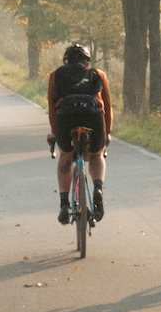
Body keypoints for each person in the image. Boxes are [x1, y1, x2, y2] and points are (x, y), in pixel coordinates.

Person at [45, 42, 113, 224]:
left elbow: (52, 106)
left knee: (66, 156)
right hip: (94, 116)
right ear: (87, 61)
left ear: (66, 61)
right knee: (97, 155)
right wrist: (107, 133)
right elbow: (106, 106)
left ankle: (64, 203)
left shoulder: (56, 75)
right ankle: (98, 188)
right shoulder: (98, 74)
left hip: (66, 117)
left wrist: (54, 132)